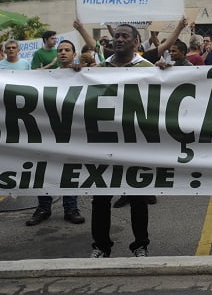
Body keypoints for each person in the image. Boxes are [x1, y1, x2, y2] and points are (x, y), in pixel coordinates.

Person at [89, 24, 154, 258]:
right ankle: (101, 246)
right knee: (101, 197)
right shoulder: (98, 69)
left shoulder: (149, 68)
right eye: (116, 36)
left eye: (125, 36)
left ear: (136, 42)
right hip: (105, 143)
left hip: (135, 143)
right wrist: (73, 71)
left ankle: (140, 245)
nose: (119, 39)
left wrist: (167, 72)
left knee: (137, 197)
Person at [26, 40, 86, 227]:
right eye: (60, 50)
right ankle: (43, 207)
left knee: (68, 168)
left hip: (71, 130)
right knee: (43, 168)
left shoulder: (83, 74)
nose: (63, 53)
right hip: (47, 130)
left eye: (67, 50)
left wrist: (85, 70)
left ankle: (71, 207)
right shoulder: (44, 76)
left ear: (74, 54)